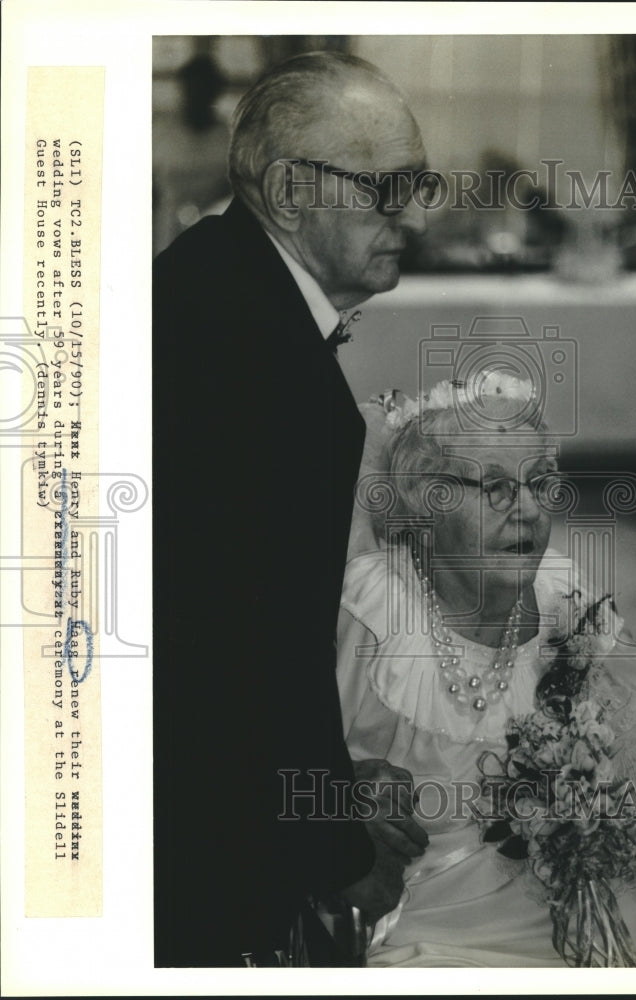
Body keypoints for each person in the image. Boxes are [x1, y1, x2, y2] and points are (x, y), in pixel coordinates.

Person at [152, 51, 434, 967]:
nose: (414, 213)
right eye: (388, 185)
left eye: (417, 183)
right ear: (286, 189)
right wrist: (333, 846)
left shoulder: (211, 283)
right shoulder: (264, 357)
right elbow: (251, 651)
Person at [336, 372, 636, 966]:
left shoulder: (565, 592)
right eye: (493, 487)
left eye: (540, 483)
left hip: (613, 912)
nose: (527, 510)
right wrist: (349, 793)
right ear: (426, 502)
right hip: (438, 928)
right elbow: (275, 757)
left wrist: (631, 784)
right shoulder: (372, 613)